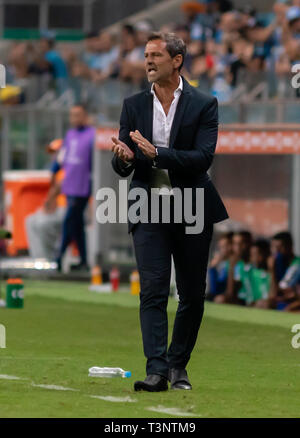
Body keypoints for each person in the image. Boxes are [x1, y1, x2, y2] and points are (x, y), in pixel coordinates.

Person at [111, 32, 228, 392]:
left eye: (155, 55)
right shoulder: (132, 104)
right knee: (153, 289)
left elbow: (202, 159)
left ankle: (179, 366)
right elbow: (124, 163)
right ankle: (157, 370)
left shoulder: (205, 103)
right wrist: (126, 160)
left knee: (192, 293)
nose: (147, 61)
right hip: (148, 204)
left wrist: (158, 154)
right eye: (145, 55)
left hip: (192, 205)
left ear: (177, 60)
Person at [53, 104, 95, 272]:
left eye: (78, 115)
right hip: (69, 185)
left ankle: (58, 256)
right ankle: (83, 261)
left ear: (85, 116)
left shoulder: (92, 135)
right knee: (76, 225)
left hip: (83, 185)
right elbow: (62, 159)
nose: (74, 118)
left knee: (69, 220)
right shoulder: (70, 135)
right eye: (72, 115)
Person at [25, 139, 66, 260]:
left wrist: (47, 204)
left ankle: (49, 258)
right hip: (57, 209)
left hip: (66, 208)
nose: (54, 156)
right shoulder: (56, 170)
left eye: (57, 152)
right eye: (53, 153)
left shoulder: (68, 168)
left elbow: (57, 190)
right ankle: (38, 258)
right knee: (30, 220)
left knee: (42, 224)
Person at [207, 231, 233, 301]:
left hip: (223, 296)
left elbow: (230, 290)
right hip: (212, 294)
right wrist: (212, 266)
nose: (223, 249)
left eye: (226, 246)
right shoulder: (215, 262)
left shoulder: (233, 262)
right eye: (221, 247)